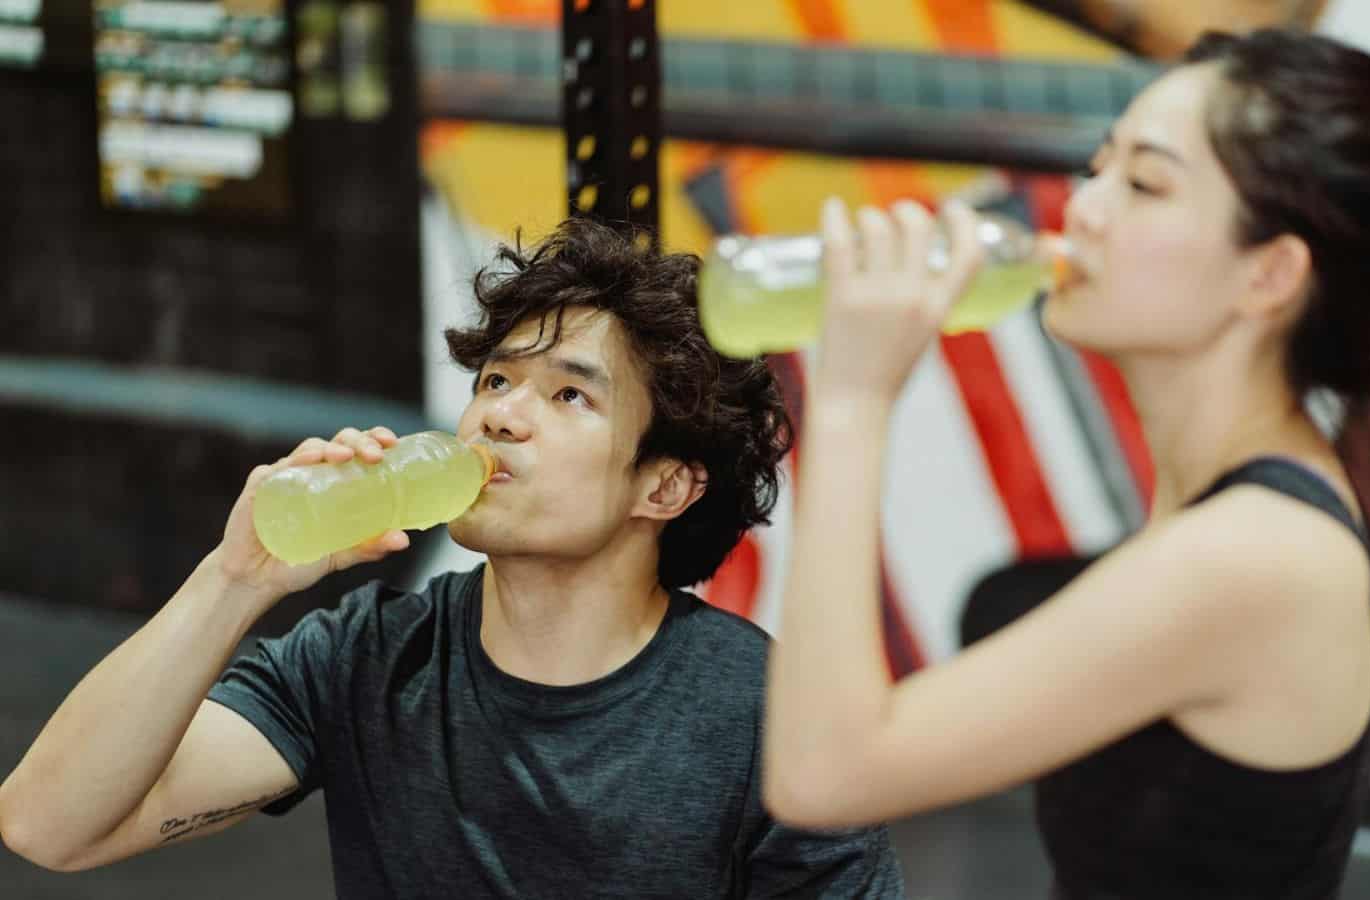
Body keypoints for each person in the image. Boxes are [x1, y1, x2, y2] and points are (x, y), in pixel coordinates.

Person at [761, 27, 1370, 899]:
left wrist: (856, 398)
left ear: (1269, 275)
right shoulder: (1234, 510)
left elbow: (824, 774)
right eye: (1099, 166)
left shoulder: (1252, 555)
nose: (1083, 207)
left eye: (1145, 183)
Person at [0, 217, 904, 898]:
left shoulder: (765, 717)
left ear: (662, 489)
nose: (499, 415)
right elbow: (49, 826)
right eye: (497, 380)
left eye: (570, 396)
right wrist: (238, 577)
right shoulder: (365, 655)